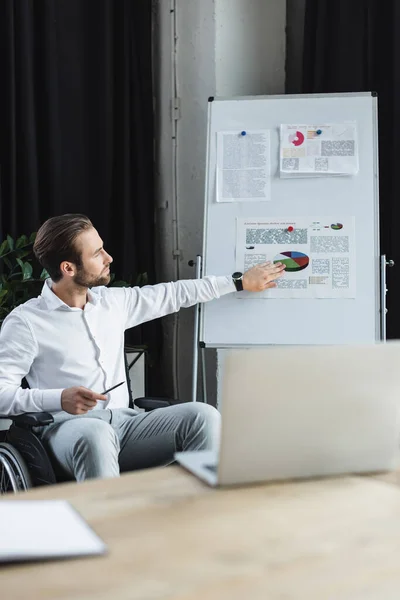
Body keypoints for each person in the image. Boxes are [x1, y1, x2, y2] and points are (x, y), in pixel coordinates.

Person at [0, 214, 285, 481]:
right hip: (66, 430)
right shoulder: (26, 322)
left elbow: (174, 294)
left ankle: (202, 520)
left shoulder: (112, 304)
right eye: (97, 253)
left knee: (203, 416)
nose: (108, 258)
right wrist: (59, 398)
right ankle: (112, 531)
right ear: (68, 268)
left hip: (127, 424)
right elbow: (2, 395)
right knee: (96, 432)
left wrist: (238, 283)